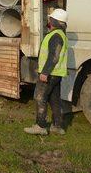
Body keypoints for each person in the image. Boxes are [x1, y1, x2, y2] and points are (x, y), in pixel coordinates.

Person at [24, 8, 68, 136]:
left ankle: (40, 126)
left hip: (50, 74)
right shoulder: (60, 34)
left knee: (40, 97)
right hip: (57, 74)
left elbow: (54, 57)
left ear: (54, 21)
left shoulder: (56, 36)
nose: (48, 20)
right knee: (54, 100)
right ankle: (57, 126)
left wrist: (45, 73)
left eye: (50, 18)